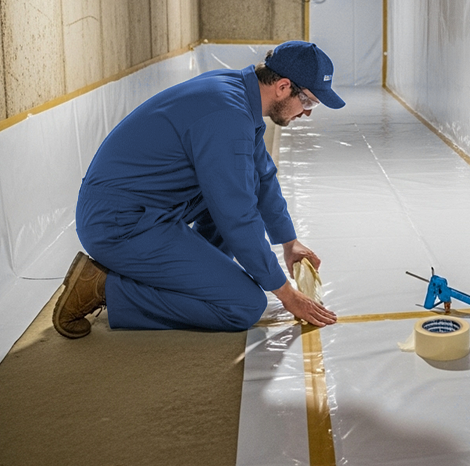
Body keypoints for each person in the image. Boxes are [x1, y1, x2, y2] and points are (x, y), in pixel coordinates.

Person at [52, 41, 342, 338]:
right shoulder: (227, 115)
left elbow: (261, 176)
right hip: (119, 224)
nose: (306, 114)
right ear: (282, 87)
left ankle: (193, 277)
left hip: (142, 208)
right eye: (308, 103)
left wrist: (289, 242)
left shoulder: (238, 92)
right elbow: (237, 214)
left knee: (234, 188)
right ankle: (101, 287)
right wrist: (285, 293)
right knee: (244, 305)